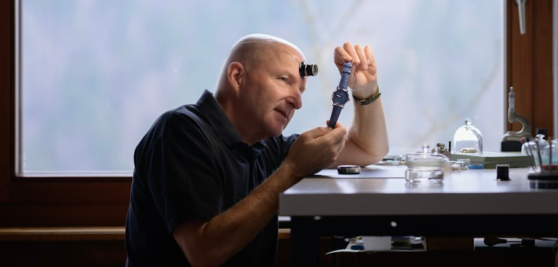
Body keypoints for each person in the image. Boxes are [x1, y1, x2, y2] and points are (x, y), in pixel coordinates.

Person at [124, 34, 388, 266]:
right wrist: (291, 171)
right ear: (237, 77)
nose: (297, 102)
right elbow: (203, 253)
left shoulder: (266, 146)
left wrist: (366, 90)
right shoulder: (180, 132)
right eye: (284, 80)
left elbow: (367, 149)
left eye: (301, 90)